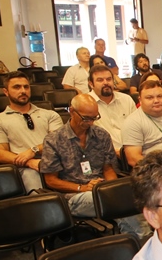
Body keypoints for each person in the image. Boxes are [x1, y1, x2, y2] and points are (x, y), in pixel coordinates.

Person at [41, 94, 149, 238]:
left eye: (94, 118)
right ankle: (143, 238)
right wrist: (82, 188)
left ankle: (133, 240)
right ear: (72, 111)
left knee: (126, 196)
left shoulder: (101, 135)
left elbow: (108, 169)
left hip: (101, 189)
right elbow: (51, 180)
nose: (91, 123)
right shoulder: (54, 140)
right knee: (116, 201)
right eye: (86, 118)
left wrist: (111, 189)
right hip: (73, 196)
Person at [0, 71, 63, 191]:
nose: (23, 91)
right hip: (26, 169)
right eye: (17, 87)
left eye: (26, 87)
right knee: (34, 184)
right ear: (5, 92)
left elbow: (58, 141)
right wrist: (28, 161)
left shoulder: (50, 115)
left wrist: (33, 150)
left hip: (56, 163)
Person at [89, 64, 137, 152]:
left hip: (131, 150)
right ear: (91, 84)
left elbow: (137, 127)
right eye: (100, 80)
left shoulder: (126, 99)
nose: (106, 83)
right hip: (102, 154)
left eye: (109, 79)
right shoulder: (86, 104)